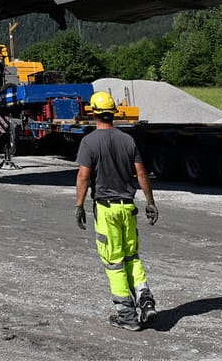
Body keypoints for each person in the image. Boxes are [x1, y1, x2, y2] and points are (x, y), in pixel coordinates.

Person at [74, 91, 158, 331]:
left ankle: (127, 315)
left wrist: (79, 205)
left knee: (114, 261)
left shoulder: (89, 142)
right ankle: (145, 299)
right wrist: (150, 202)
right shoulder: (127, 140)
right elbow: (141, 173)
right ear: (113, 112)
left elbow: (83, 176)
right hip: (128, 208)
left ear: (93, 112)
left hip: (106, 209)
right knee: (132, 255)